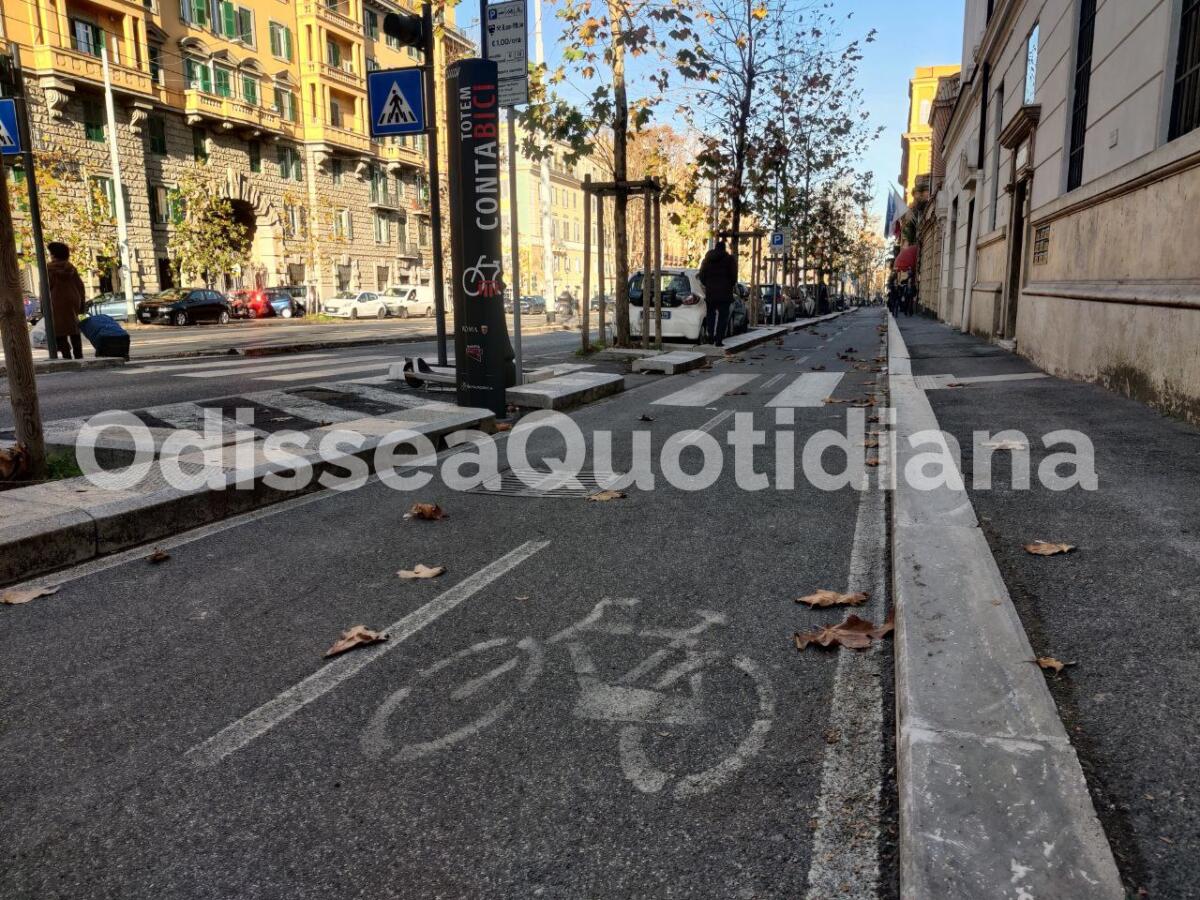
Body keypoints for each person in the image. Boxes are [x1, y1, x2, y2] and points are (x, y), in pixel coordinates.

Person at [47, 242, 86, 359]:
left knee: (59, 332)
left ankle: (67, 356)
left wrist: (44, 308)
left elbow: (45, 288)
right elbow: (80, 286)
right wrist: (81, 305)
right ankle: (78, 355)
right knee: (74, 328)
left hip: (55, 302)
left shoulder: (48, 269)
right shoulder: (71, 268)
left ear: (53, 255)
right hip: (73, 301)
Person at [698, 240, 736, 346]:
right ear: (724, 248)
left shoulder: (707, 259)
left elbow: (701, 275)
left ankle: (710, 337)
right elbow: (734, 277)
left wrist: (708, 285)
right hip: (725, 294)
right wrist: (729, 285)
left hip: (711, 293)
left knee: (711, 315)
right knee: (723, 317)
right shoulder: (729, 259)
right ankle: (719, 340)